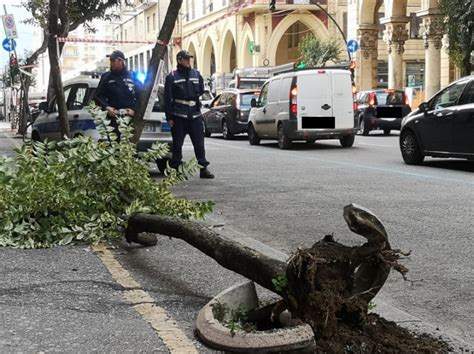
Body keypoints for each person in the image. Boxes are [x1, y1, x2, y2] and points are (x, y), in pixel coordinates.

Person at [164, 50, 214, 179]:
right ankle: (177, 170)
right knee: (177, 145)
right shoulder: (172, 76)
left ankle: (203, 168)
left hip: (195, 115)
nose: (188, 61)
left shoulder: (196, 74)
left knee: (199, 143)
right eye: (185, 59)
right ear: (179, 60)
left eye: (189, 59)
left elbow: (201, 90)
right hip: (179, 115)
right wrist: (169, 117)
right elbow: (167, 98)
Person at [94, 50, 141, 140]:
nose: (111, 63)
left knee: (129, 146)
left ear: (121, 61)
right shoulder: (106, 77)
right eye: (110, 61)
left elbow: (140, 96)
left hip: (129, 117)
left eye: (113, 61)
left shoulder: (132, 76)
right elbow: (98, 96)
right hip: (113, 117)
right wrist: (107, 107)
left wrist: (134, 109)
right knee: (114, 145)